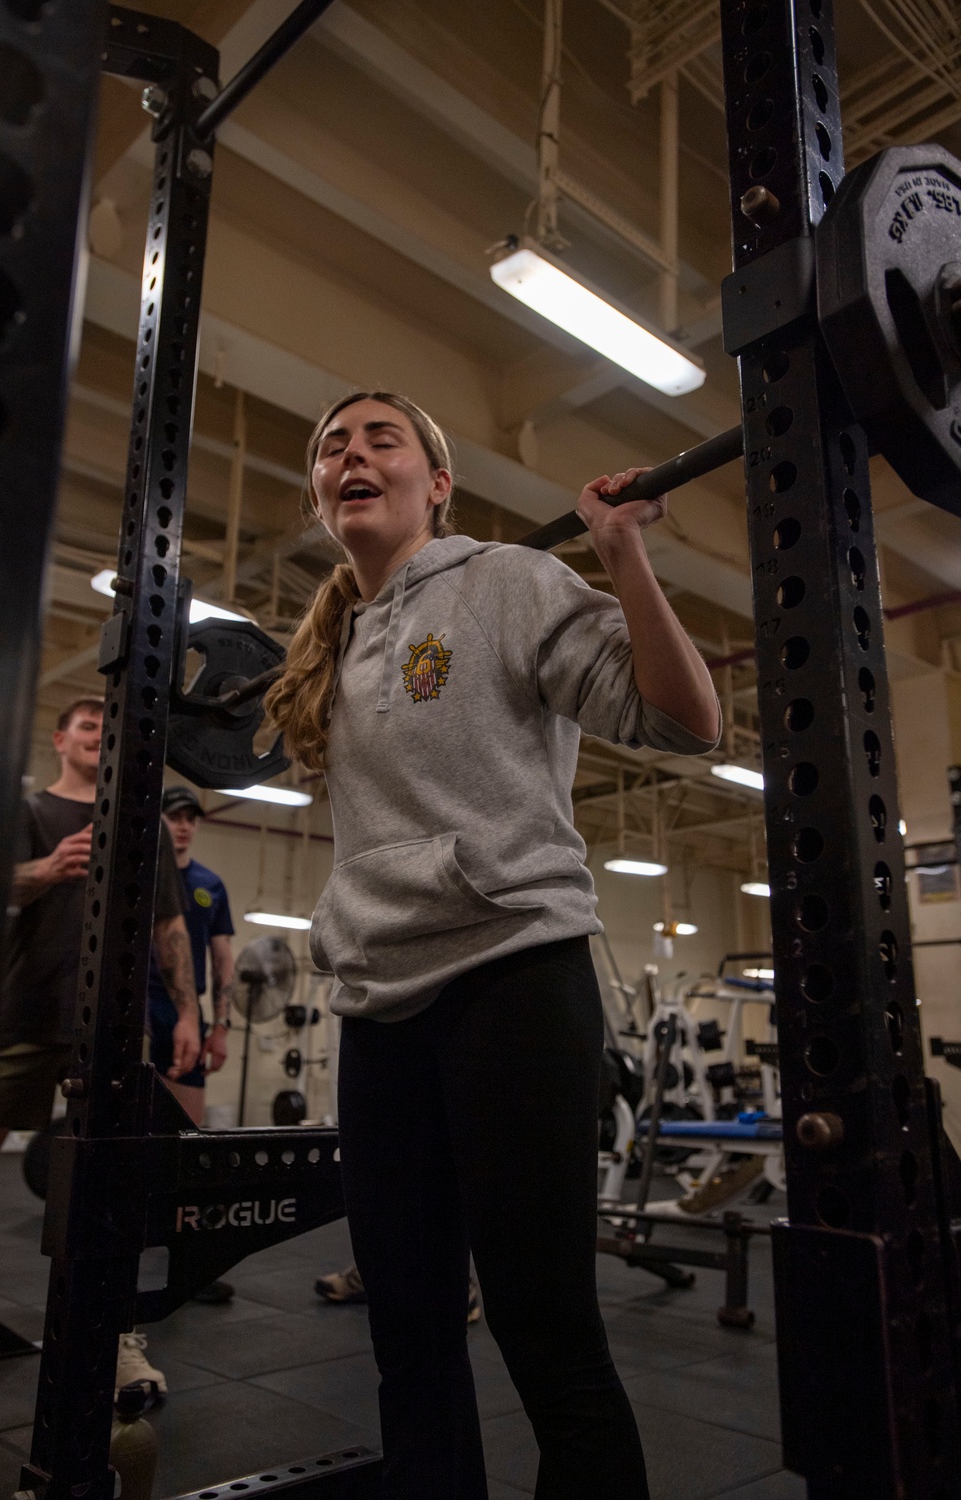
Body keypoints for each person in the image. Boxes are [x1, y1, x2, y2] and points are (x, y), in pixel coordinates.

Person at [265, 391, 720, 1500]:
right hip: (378, 1004)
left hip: (510, 978)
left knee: (542, 1327)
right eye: (333, 446)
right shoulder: (335, 641)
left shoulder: (508, 583)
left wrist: (621, 558)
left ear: (439, 482)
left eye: (381, 438)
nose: (351, 454)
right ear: (324, 499)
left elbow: (684, 720)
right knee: (407, 1331)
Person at [0, 696, 203, 1398]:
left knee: (114, 1185)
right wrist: (44, 870)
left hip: (111, 1022)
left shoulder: (144, 825)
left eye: (108, 728)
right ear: (59, 738)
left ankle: (116, 1338)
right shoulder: (25, 813)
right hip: (23, 1009)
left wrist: (190, 1014)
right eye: (85, 725)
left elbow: (171, 925)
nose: (97, 736)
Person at [147, 783, 237, 1306]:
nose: (183, 825)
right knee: (128, 1134)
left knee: (187, 1140)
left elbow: (223, 960)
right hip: (136, 1008)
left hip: (186, 1012)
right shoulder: (143, 872)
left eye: (191, 817)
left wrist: (219, 1026)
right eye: (174, 815)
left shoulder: (209, 885)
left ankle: (185, 1263)